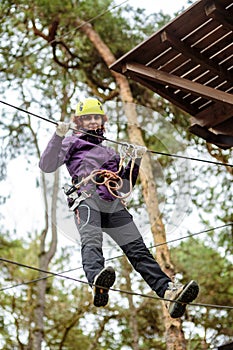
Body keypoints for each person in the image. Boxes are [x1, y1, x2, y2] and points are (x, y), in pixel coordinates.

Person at [39, 97, 199, 318]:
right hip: (87, 197)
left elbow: (123, 184)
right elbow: (47, 165)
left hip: (112, 203)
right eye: (88, 118)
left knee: (139, 251)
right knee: (92, 238)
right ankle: (97, 280)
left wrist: (135, 161)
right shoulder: (71, 142)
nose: (93, 121)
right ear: (80, 121)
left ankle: (168, 292)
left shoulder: (111, 153)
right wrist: (57, 136)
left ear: (102, 121)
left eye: (97, 117)